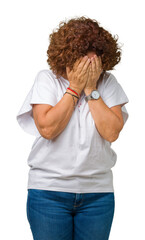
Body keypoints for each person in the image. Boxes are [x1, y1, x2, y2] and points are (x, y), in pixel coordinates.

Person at [16, 16, 129, 240]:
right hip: (48, 193)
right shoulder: (47, 80)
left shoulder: (108, 83)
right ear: (68, 54)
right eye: (84, 52)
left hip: (98, 194)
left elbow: (111, 132)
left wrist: (90, 88)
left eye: (96, 51)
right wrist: (75, 87)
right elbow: (47, 129)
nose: (92, 58)